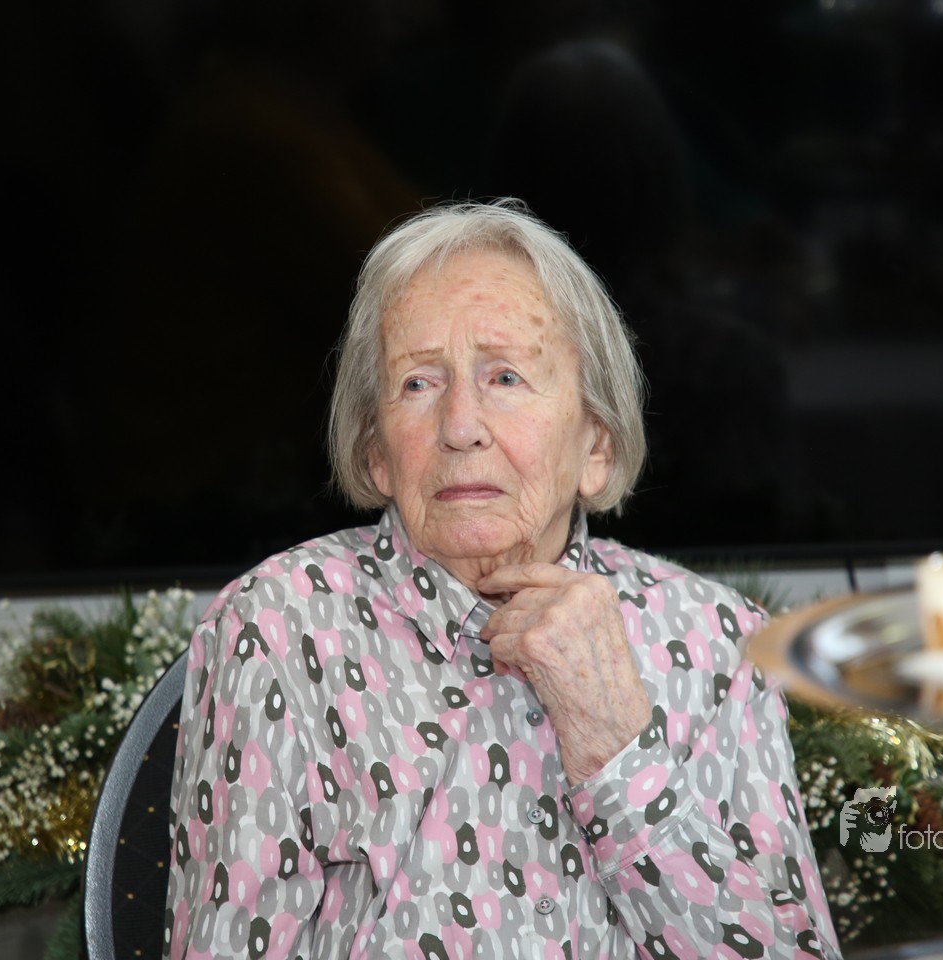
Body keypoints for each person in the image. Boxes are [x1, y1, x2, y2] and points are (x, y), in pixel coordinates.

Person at [163, 199, 840, 959]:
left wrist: (617, 749)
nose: (460, 427)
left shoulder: (719, 642)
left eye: (506, 376)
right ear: (377, 452)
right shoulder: (279, 629)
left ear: (596, 445)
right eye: (418, 383)